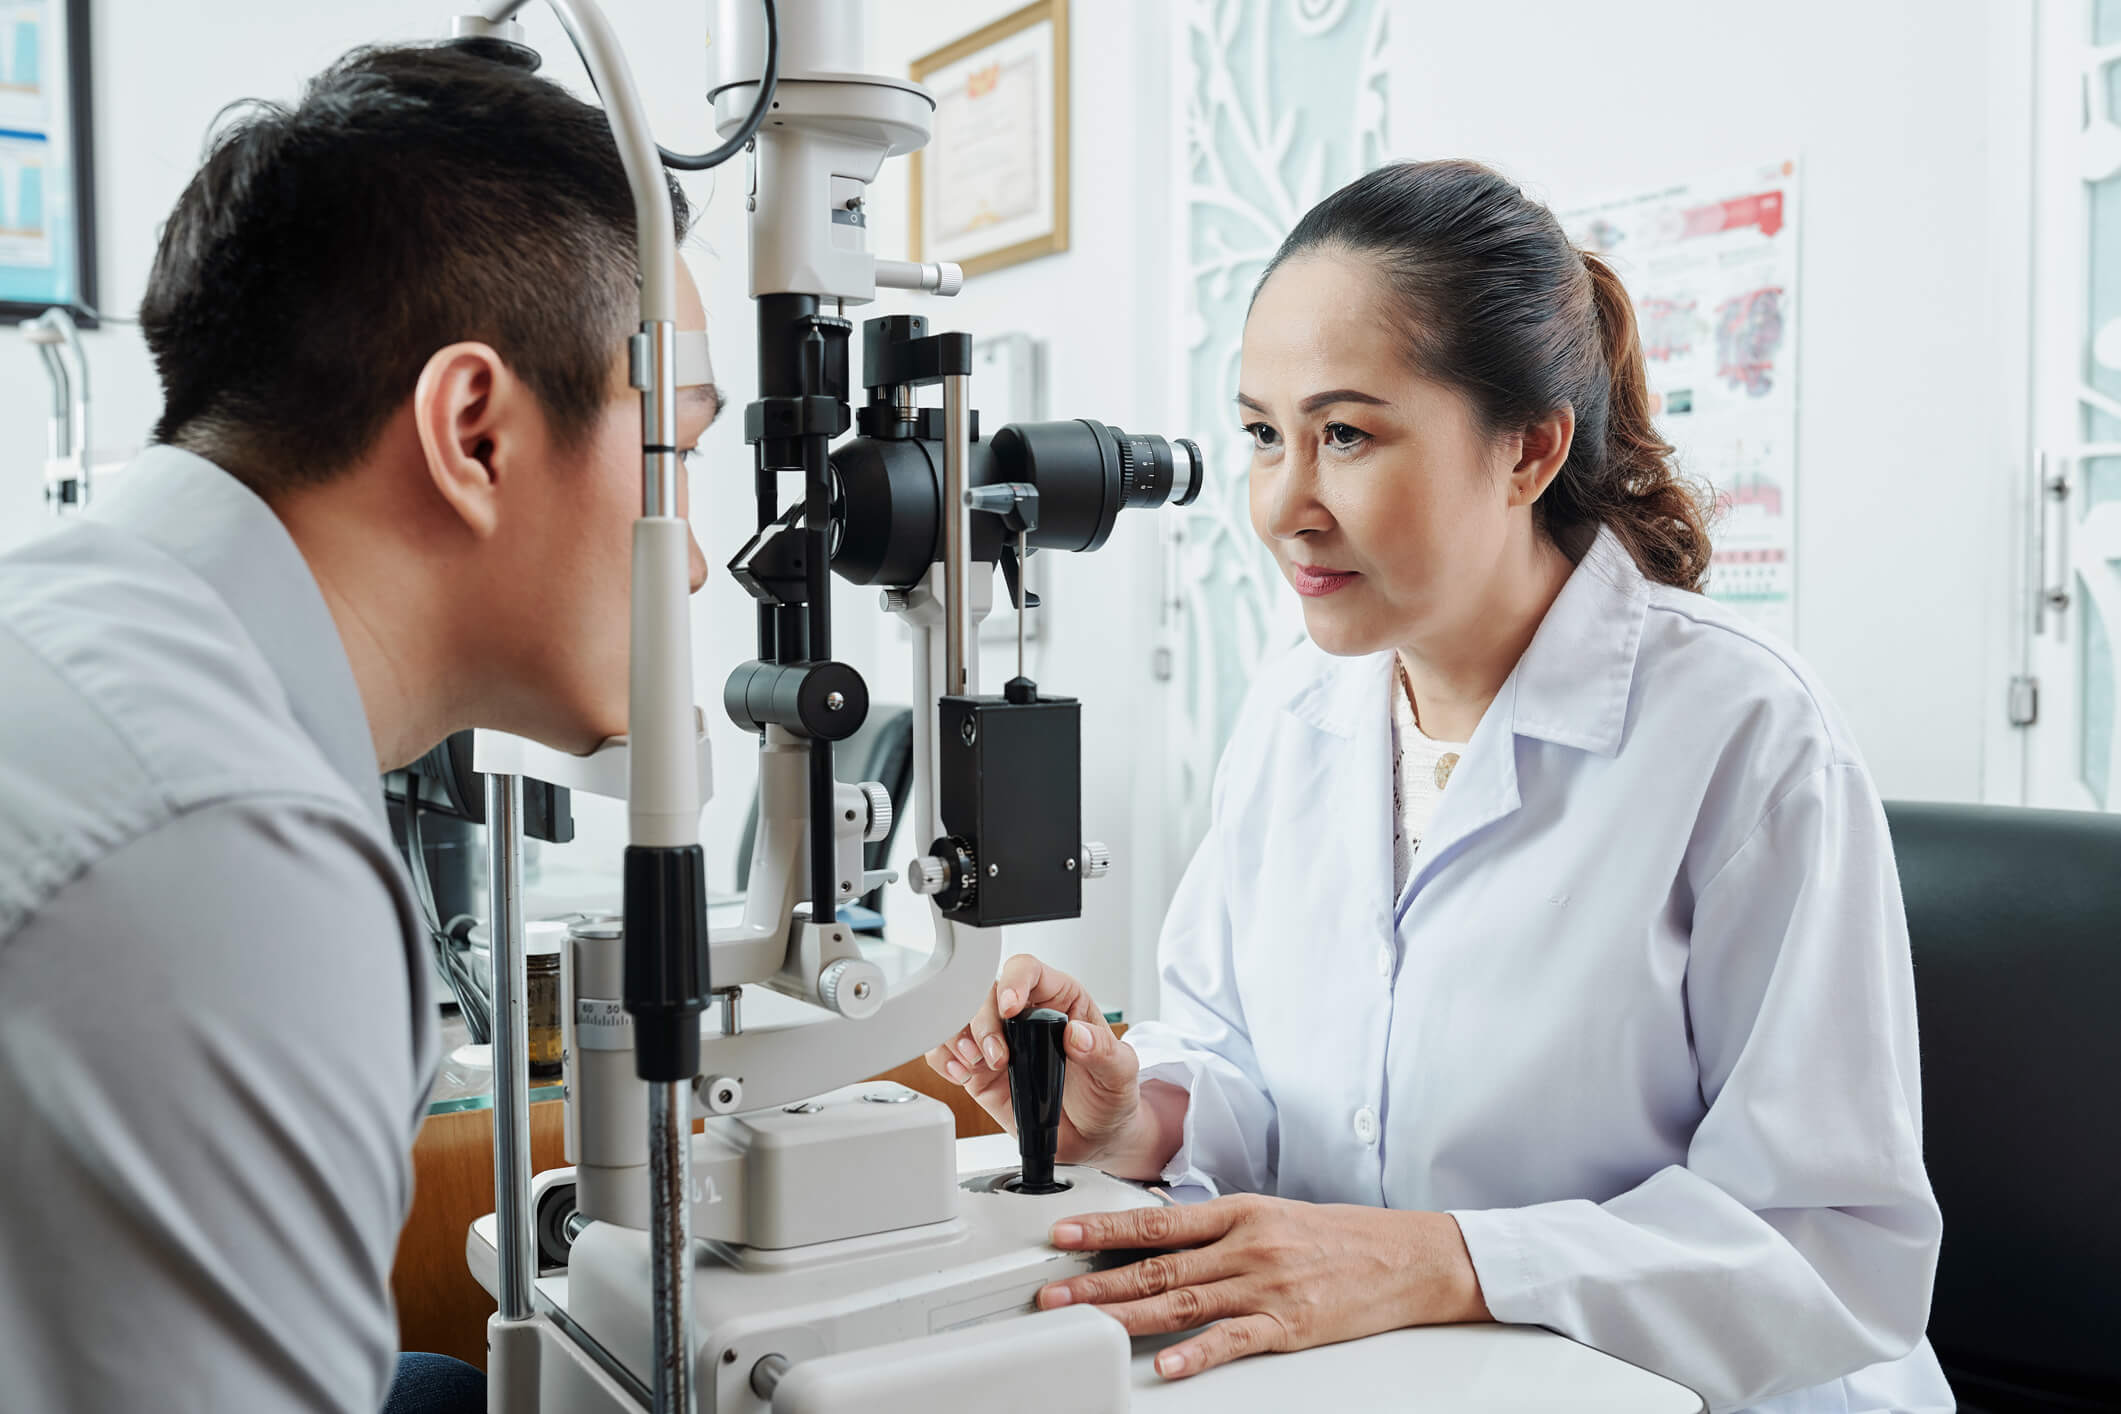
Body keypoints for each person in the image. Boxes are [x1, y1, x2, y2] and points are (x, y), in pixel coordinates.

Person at [931, 160, 1950, 1414]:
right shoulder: (1294, 713)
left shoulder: (1746, 734)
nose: (1284, 506)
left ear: (1527, 450)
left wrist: (1446, 1257)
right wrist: (1137, 1114)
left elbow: (1829, 1250)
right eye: (1262, 434)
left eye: (1345, 434)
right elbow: (1252, 1068)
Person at [0, 45, 717, 1413]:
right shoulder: (224, 850)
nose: (697, 556)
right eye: (674, 443)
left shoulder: (98, 635)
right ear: (475, 431)